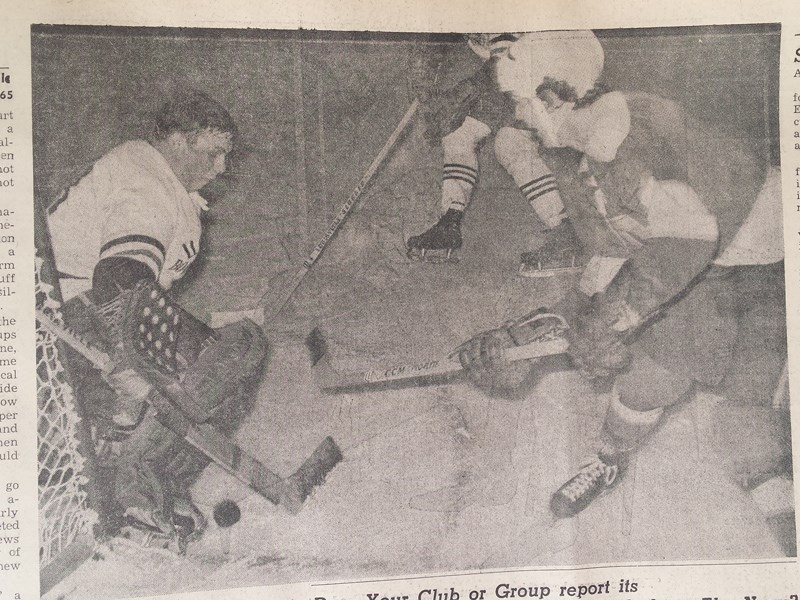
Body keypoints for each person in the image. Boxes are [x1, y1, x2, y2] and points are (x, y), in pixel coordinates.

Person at [453, 49, 783, 518]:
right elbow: (615, 252)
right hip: (715, 266)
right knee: (650, 376)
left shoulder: (629, 137)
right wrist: (536, 329)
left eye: (519, 102)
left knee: (748, 432)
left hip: (775, 265)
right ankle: (607, 460)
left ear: (552, 98)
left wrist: (609, 322)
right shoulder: (592, 143)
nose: (517, 117)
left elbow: (685, 238)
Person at [45, 89, 267, 550]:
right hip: (63, 321)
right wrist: (131, 364)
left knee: (222, 358)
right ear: (175, 141)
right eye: (213, 153)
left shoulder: (154, 176)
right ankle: (131, 494)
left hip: (71, 310)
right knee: (234, 351)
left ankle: (146, 477)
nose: (221, 167)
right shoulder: (149, 186)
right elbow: (120, 278)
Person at [406, 31, 604, 274]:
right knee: (459, 134)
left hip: (566, 62)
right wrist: (428, 92)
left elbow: (502, 64)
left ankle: (567, 234)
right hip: (529, 64)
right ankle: (449, 222)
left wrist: (459, 95)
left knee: (510, 142)